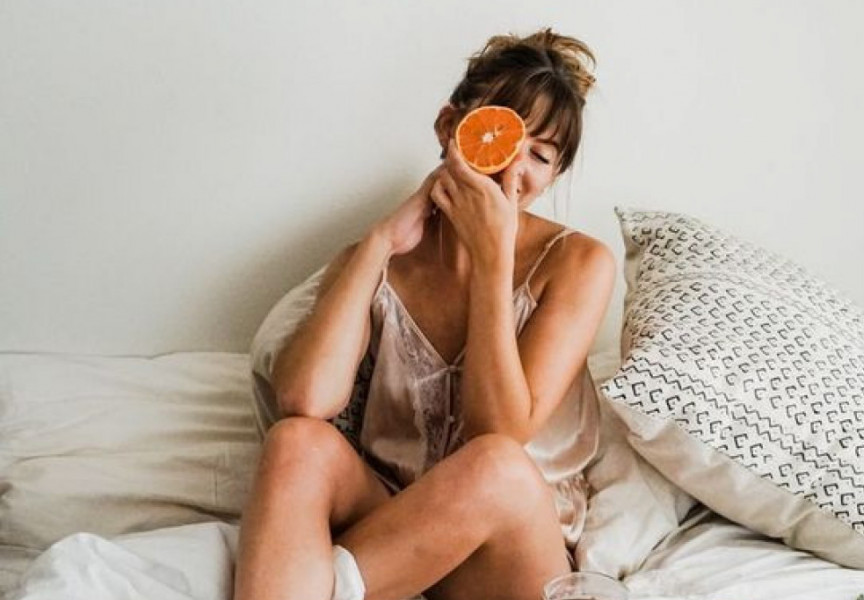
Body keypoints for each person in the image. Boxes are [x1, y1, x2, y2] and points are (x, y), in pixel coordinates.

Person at [234, 27, 616, 600]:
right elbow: (303, 399)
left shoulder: (579, 264)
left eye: (539, 156)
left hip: (505, 551)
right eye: (498, 133)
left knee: (497, 465)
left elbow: (498, 433)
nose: (512, 166)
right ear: (448, 126)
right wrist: (379, 244)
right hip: (388, 525)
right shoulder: (378, 258)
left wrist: (492, 260)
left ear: (553, 176)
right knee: (295, 443)